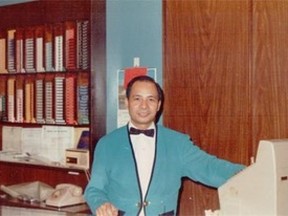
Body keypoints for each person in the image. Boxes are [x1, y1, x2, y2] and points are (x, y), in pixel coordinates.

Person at [84, 75, 245, 216]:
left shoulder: (178, 143)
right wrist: (101, 204)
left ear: (159, 105)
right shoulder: (107, 144)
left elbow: (211, 168)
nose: (144, 106)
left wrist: (252, 173)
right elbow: (94, 189)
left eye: (151, 99)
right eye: (137, 98)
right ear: (127, 102)